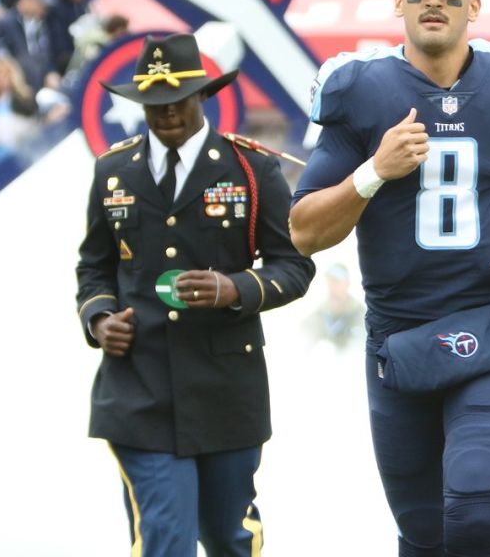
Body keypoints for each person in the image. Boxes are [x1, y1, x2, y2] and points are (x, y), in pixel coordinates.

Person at [289, 0, 490, 557]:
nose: (434, 3)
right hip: (398, 339)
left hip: (488, 329)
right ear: (396, 0)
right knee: (425, 535)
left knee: (477, 512)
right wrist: (374, 171)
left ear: (474, 6)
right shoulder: (361, 89)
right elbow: (305, 230)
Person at [75, 33, 315, 557]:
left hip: (225, 388)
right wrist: (98, 319)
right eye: (153, 105)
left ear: (203, 96)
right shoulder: (111, 170)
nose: (165, 116)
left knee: (229, 537)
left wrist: (236, 288)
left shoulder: (253, 169)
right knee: (165, 537)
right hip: (138, 388)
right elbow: (95, 267)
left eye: (176, 102)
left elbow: (294, 267)